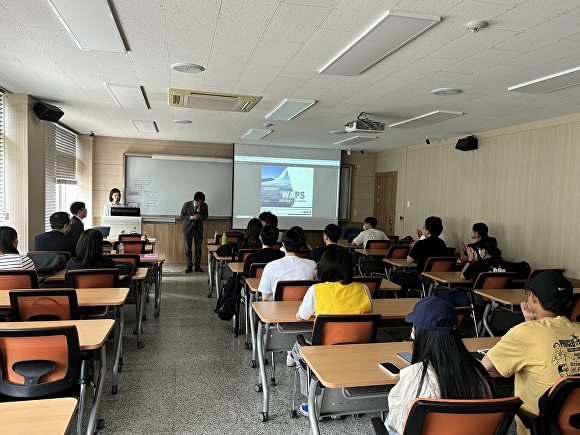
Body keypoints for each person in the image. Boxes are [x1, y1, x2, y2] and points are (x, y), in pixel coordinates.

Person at [482, 271, 580, 435]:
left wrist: (528, 326)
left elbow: (485, 366)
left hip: (535, 427)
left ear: (533, 297)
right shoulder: (576, 328)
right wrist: (531, 323)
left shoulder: (523, 333)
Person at [385, 296, 493, 434]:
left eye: (413, 327)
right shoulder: (479, 373)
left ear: (417, 334)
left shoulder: (415, 377)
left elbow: (398, 425)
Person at [294, 248, 373, 416]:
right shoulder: (364, 289)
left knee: (297, 347)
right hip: (359, 350)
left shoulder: (316, 290)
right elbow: (369, 311)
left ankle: (313, 400)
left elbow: (301, 316)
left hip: (325, 353)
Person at [258, 228, 316, 301]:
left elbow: (265, 298)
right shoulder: (312, 265)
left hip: (278, 309)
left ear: (283, 245)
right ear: (301, 247)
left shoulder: (271, 266)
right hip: (305, 308)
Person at [393, 216, 447, 292]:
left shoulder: (421, 244)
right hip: (438, 279)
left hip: (423, 279)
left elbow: (409, 260)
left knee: (397, 276)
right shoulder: (442, 244)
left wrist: (416, 245)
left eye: (424, 227)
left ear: (428, 231)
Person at [448, 237, 506, 308]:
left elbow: (462, 276)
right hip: (499, 299)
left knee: (452, 294)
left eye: (480, 249)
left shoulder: (477, 265)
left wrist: (470, 260)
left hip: (479, 300)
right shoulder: (504, 264)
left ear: (484, 251)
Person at [180, 191, 208, 273]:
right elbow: (182, 216)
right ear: (195, 200)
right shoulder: (186, 204)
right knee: (187, 248)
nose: (199, 203)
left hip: (198, 229)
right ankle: (189, 266)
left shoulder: (205, 205)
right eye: (198, 202)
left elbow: (206, 215)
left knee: (198, 248)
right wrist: (192, 217)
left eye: (201, 202)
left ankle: (197, 266)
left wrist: (200, 217)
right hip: (188, 229)